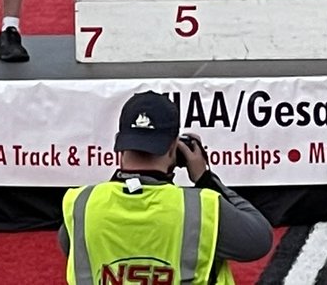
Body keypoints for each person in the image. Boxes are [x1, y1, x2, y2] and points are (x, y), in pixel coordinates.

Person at [59, 91, 273, 284]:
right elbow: (259, 241)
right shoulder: (199, 209)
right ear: (174, 147)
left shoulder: (83, 206)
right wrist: (205, 178)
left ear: (119, 145)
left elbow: (71, 246)